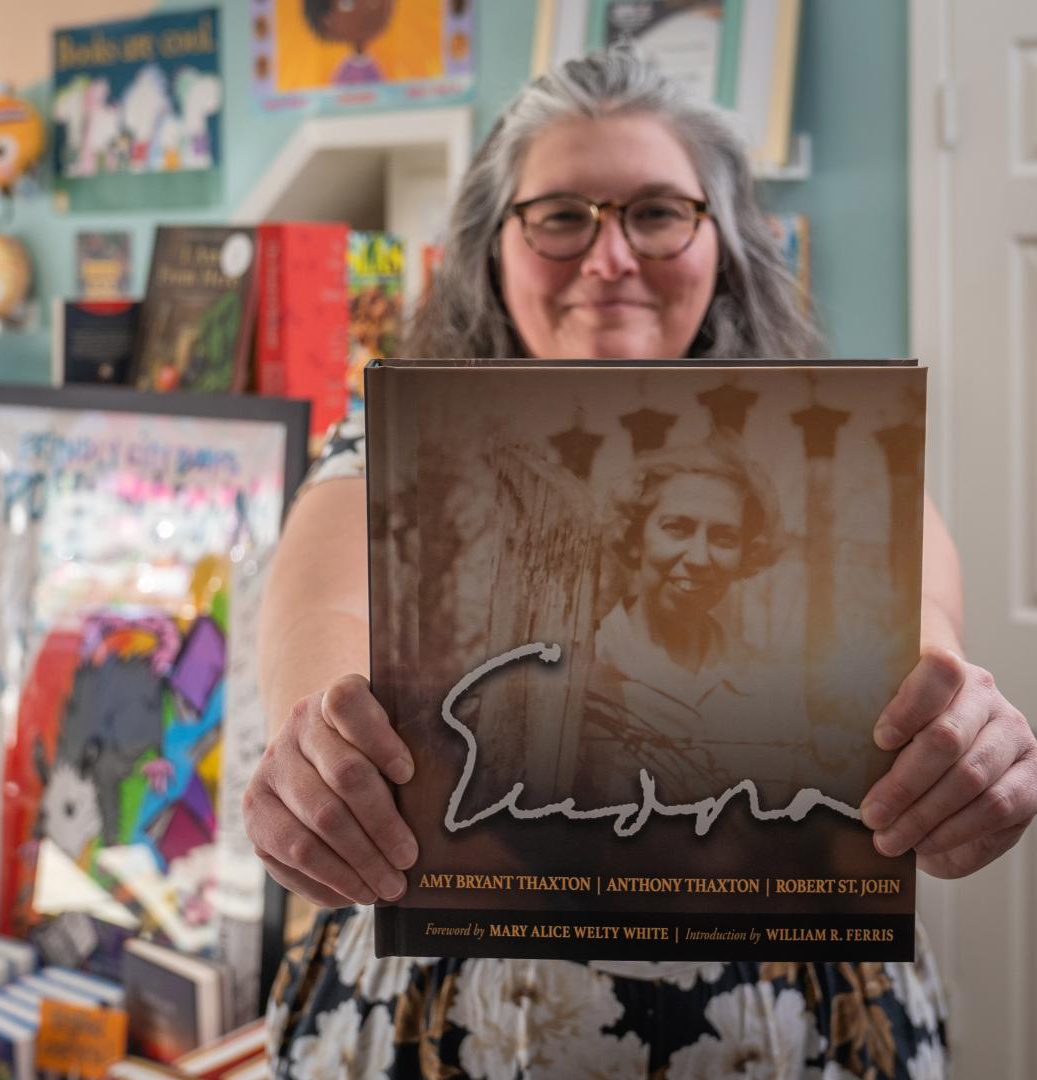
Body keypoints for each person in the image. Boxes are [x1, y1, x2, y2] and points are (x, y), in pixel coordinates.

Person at [243, 50, 1037, 1077]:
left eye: (657, 213)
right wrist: (312, 740)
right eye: (561, 216)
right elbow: (327, 611)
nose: (609, 256)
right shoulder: (397, 443)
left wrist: (961, 741)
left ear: (723, 242)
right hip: (450, 1026)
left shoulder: (826, 447)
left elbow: (915, 623)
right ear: (493, 247)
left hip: (793, 1031)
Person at [578, 437, 805, 807]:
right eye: (677, 528)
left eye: (724, 537)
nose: (699, 557)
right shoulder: (580, 670)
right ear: (636, 539)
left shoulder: (773, 689)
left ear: (745, 554)